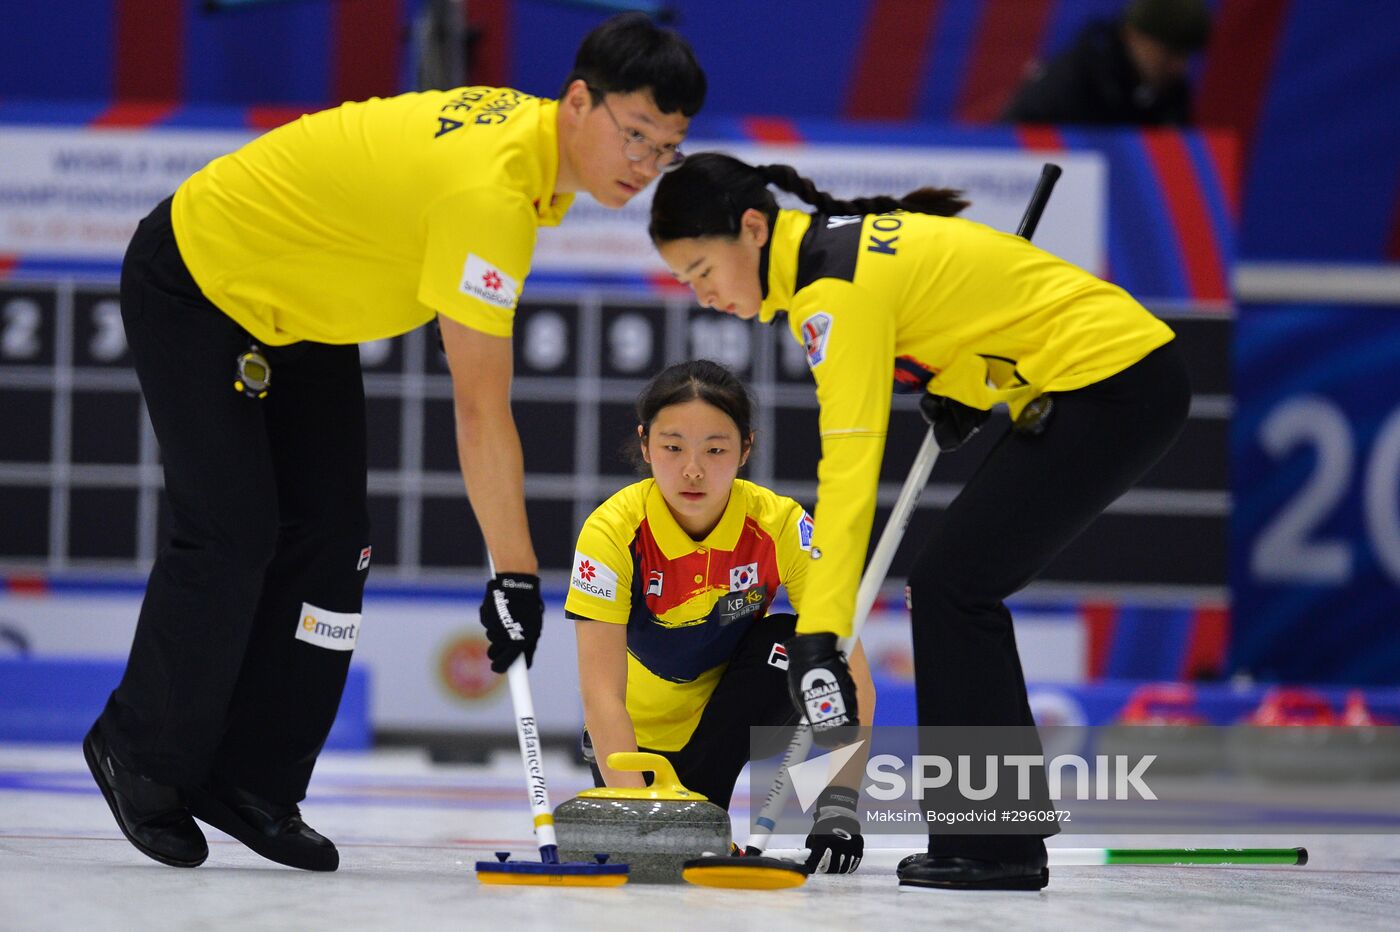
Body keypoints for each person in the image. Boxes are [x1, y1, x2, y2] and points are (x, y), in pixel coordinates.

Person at [84, 12, 705, 872]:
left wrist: (514, 576)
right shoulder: (491, 194)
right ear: (577, 103)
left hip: (303, 308)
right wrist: (518, 577)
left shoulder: (531, 154)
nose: (644, 166)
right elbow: (482, 410)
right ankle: (138, 749)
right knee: (231, 531)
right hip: (203, 275)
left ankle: (254, 781)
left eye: (664, 149)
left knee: (339, 545)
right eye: (634, 135)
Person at [647, 153, 1190, 890]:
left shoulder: (828, 293)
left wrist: (819, 635)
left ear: (751, 229)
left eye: (702, 270)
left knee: (952, 587)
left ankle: (995, 845)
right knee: (950, 585)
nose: (704, 296)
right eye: (687, 282)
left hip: (1112, 383)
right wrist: (964, 380)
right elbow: (984, 304)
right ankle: (998, 838)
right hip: (1100, 377)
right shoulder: (836, 249)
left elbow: (848, 470)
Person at [565, 359, 875, 874]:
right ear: (644, 445)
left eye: (715, 449)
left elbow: (852, 672)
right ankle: (681, 809)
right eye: (672, 447)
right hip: (634, 747)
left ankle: (708, 805)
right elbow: (599, 694)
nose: (692, 469)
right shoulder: (610, 532)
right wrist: (639, 813)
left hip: (726, 726)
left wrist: (839, 804)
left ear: (745, 449)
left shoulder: (782, 528)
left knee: (802, 639)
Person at [1001, 0, 1212, 126]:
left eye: (1186, 55)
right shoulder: (1073, 78)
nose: (1179, 67)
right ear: (1132, 36)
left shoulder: (1172, 95)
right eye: (1168, 53)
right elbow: (1007, 142)